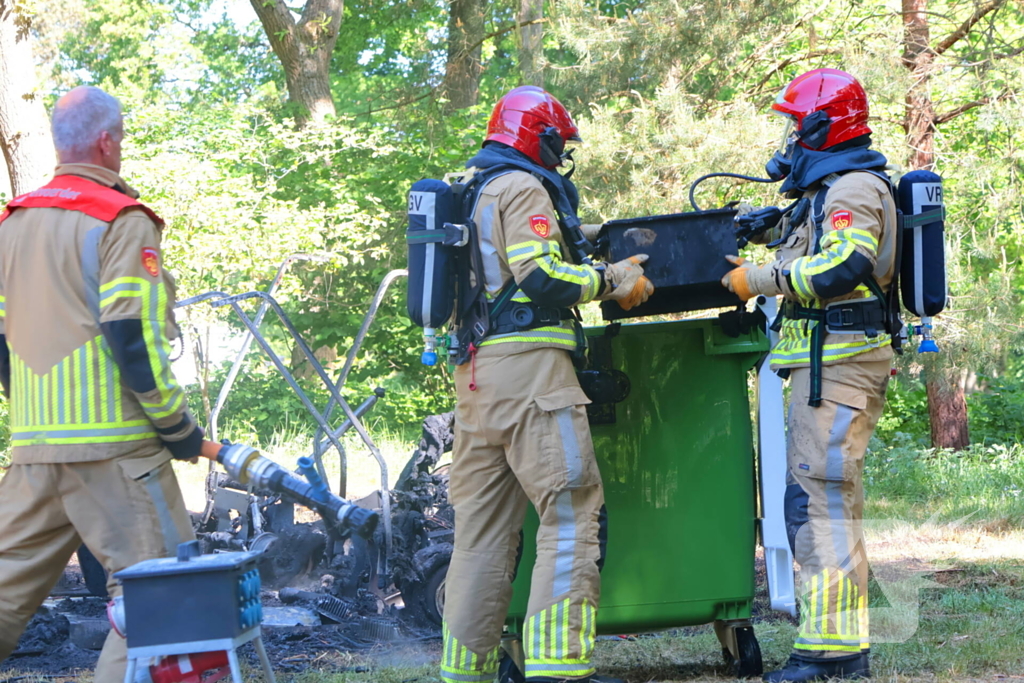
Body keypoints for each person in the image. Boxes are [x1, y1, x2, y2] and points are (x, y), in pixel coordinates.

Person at [440, 86, 652, 683]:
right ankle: (557, 668)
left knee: (481, 533)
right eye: (559, 147)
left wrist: (586, 235)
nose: (562, 160)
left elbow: (518, 254)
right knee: (570, 510)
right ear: (541, 139)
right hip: (532, 374)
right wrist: (612, 280)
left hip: (477, 379)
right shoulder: (524, 186)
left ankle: (464, 671)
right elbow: (541, 274)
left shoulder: (477, 189)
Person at [0, 86, 202, 681]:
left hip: (34, 451)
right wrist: (176, 426)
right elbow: (130, 335)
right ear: (108, 141)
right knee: (164, 597)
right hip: (117, 452)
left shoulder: (10, 225)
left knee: (4, 596)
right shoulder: (120, 220)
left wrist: (30, 415)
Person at [721, 68, 896, 682]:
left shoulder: (852, 188)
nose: (791, 136)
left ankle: (832, 656)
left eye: (798, 123)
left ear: (826, 124)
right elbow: (809, 242)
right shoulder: (828, 191)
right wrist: (762, 228)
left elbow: (843, 266)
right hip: (829, 367)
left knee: (816, 504)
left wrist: (758, 279)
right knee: (827, 504)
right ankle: (838, 649)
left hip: (841, 368)